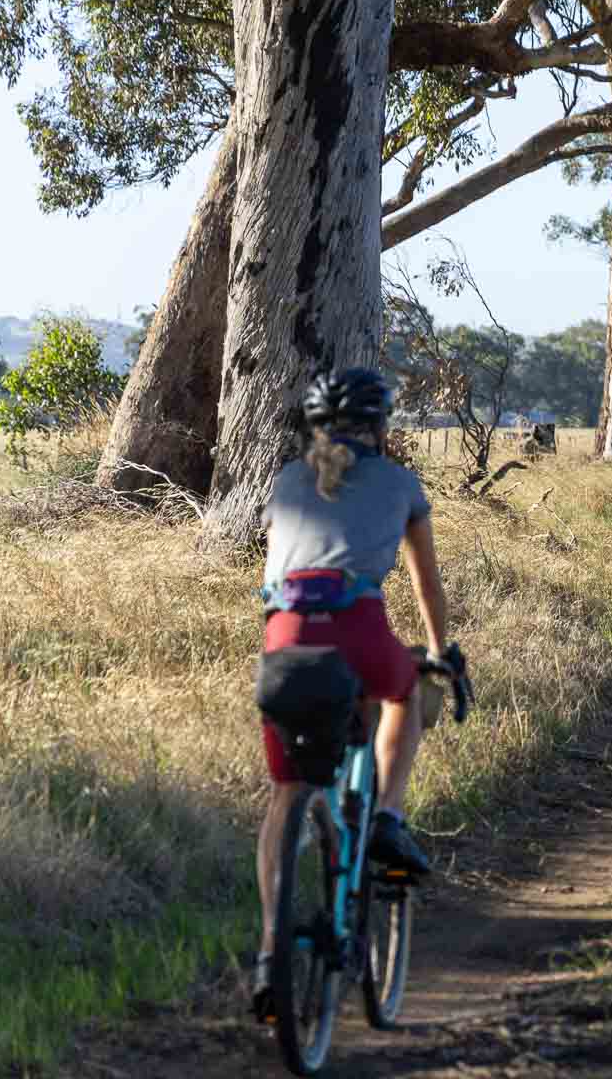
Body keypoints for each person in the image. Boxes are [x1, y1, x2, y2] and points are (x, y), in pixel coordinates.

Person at [252, 368, 449, 1015]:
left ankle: (270, 951)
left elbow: (273, 579)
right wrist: (440, 652)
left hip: (284, 638)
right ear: (382, 428)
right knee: (406, 688)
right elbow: (426, 587)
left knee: (285, 795)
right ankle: (388, 817)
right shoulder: (400, 483)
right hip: (360, 629)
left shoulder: (285, 481)